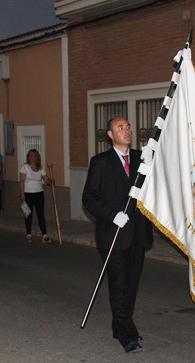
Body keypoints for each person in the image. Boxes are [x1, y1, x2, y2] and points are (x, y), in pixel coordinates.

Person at [82, 117, 153, 354]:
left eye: (128, 126)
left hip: (138, 233)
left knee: (131, 285)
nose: (127, 130)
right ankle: (127, 334)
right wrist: (112, 215)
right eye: (120, 128)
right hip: (113, 233)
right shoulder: (100, 162)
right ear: (110, 135)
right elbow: (89, 197)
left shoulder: (141, 159)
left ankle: (119, 325)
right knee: (119, 284)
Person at [19, 149, 52, 243]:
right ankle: (28, 234)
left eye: (32, 155)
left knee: (40, 214)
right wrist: (22, 194)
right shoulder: (24, 167)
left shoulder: (40, 168)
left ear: (36, 157)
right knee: (27, 214)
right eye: (29, 155)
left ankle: (44, 234)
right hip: (27, 194)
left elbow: (46, 180)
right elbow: (21, 181)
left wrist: (50, 181)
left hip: (39, 194)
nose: (30, 157)